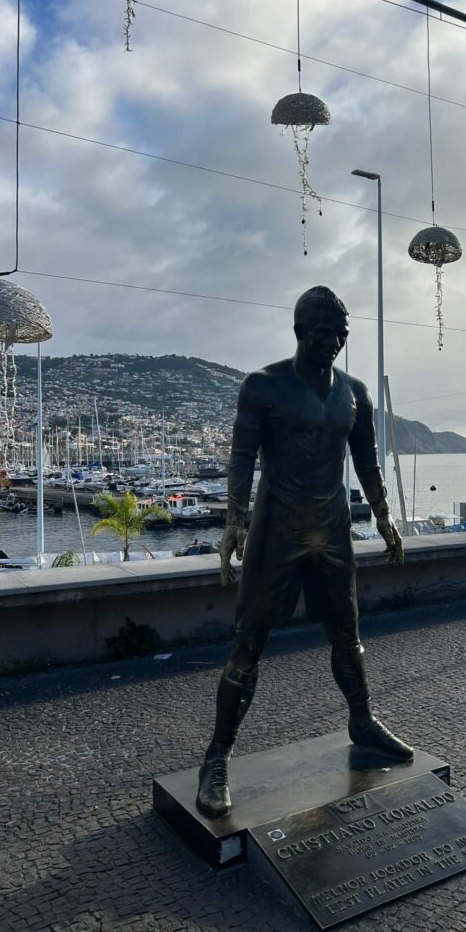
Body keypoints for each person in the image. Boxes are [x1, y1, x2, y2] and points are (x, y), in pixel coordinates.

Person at [197, 286, 412, 818]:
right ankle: (217, 756)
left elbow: (367, 464)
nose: (334, 343)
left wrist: (384, 517)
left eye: (342, 334)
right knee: (249, 645)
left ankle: (361, 721)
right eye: (324, 333)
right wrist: (234, 521)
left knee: (348, 635)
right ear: (299, 332)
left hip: (333, 529)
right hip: (277, 531)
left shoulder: (354, 392)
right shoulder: (264, 386)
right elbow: (242, 458)